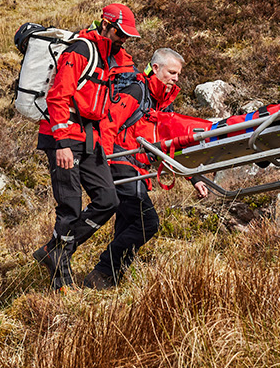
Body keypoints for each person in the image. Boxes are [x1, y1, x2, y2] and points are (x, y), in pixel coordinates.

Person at [33, 3, 138, 290]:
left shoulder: (109, 58)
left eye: (128, 35)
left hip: (89, 138)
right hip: (64, 136)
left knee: (109, 200)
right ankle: (61, 285)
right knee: (70, 208)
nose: (124, 39)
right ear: (106, 24)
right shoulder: (80, 50)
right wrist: (62, 144)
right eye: (120, 32)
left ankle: (56, 250)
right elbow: (57, 98)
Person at [85, 48, 209, 289]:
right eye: (172, 72)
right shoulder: (136, 92)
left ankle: (107, 279)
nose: (175, 78)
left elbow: (170, 147)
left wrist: (195, 178)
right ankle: (102, 270)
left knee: (126, 225)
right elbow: (108, 124)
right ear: (156, 68)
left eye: (178, 74)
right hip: (121, 165)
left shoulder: (162, 105)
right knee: (147, 222)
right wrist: (105, 163)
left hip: (138, 170)